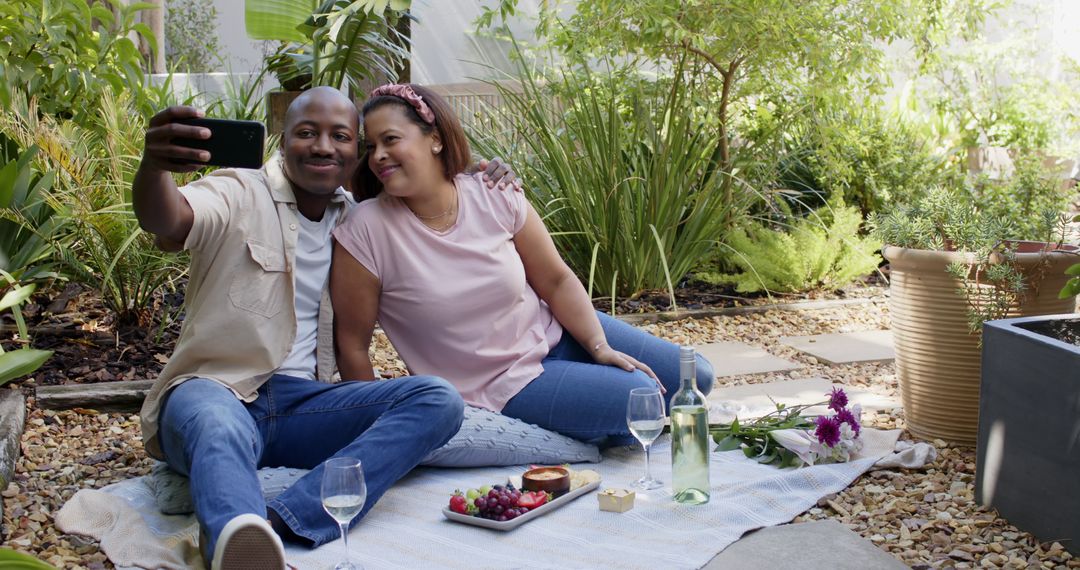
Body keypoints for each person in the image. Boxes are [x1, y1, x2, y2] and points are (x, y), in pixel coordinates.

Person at [133, 86, 516, 569]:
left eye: (340, 136)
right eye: (307, 133)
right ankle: (235, 536)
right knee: (214, 422)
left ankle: (282, 523)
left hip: (305, 406)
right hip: (216, 390)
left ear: (357, 151)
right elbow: (166, 217)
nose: (322, 146)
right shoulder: (237, 190)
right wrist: (154, 165)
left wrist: (482, 176)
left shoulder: (356, 220)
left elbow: (434, 201)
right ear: (282, 138)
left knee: (436, 399)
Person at [331, 84, 715, 450]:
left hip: (555, 334)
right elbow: (352, 343)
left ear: (435, 139)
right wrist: (376, 429)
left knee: (696, 376)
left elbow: (556, 278)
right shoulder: (365, 230)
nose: (378, 154)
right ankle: (589, 427)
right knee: (641, 399)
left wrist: (598, 347)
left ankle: (594, 428)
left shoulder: (491, 192)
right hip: (499, 383)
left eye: (391, 139)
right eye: (371, 146)